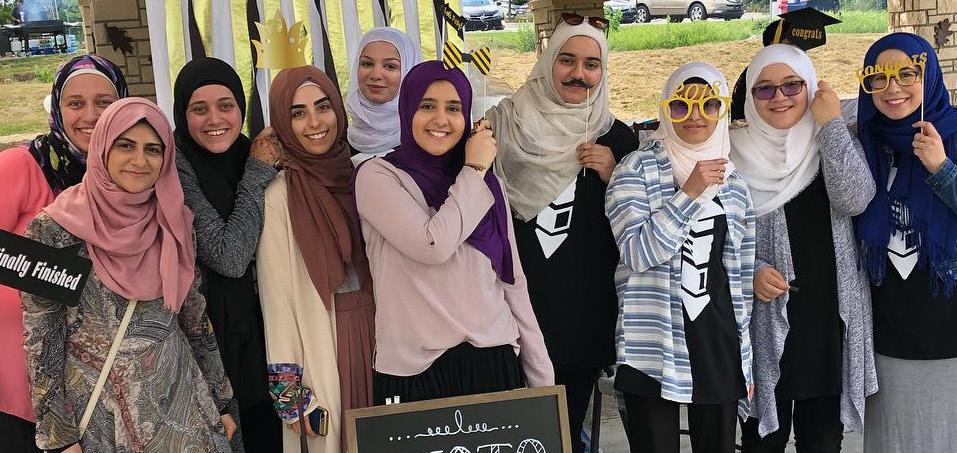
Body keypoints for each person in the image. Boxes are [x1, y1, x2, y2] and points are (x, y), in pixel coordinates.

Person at [21, 97, 236, 452]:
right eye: (125, 145)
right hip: (103, 421)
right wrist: (58, 437)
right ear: (103, 147)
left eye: (153, 149)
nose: (140, 161)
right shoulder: (50, 231)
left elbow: (194, 319)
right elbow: (42, 340)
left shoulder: (174, 221)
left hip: (183, 411)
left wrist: (220, 400)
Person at [354, 60, 554, 405]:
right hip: (413, 370)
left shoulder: (488, 185)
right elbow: (433, 244)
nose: (441, 120)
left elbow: (512, 281)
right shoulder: (378, 177)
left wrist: (542, 378)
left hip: (491, 358)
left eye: (454, 108)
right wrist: (474, 168)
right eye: (427, 105)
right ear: (407, 109)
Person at [485, 16, 637, 450]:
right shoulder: (504, 125)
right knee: (509, 431)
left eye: (592, 65)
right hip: (508, 309)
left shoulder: (617, 138)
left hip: (581, 316)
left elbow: (636, 229)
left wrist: (616, 178)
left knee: (563, 431)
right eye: (567, 60)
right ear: (548, 61)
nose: (579, 74)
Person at [729, 44, 878, 453]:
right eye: (765, 89)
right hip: (764, 321)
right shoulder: (730, 153)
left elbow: (855, 199)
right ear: (750, 96)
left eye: (792, 85)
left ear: (810, 87)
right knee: (762, 440)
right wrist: (752, 270)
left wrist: (829, 127)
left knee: (823, 440)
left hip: (830, 319)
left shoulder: (833, 139)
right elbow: (720, 236)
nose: (779, 97)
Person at [606, 62, 755, 453]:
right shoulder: (633, 170)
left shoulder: (734, 182)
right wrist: (688, 193)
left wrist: (746, 357)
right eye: (680, 105)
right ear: (664, 108)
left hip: (717, 343)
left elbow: (738, 280)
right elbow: (637, 253)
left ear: (722, 109)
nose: (694, 116)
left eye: (708, 105)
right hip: (652, 345)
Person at [0, 54, 126, 453]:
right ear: (57, 107)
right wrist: (73, 281)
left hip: (101, 393)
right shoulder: (23, 165)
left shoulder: (130, 174)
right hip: (21, 388)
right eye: (75, 103)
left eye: (104, 102)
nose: (90, 115)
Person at [257, 66, 375, 453]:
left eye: (322, 106)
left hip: (381, 335)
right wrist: (289, 393)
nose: (314, 122)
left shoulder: (366, 176)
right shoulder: (278, 195)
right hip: (325, 342)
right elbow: (276, 299)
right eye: (297, 113)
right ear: (282, 123)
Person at [173, 57, 282, 452]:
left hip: (266, 330)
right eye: (198, 109)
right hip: (213, 343)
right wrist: (256, 173)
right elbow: (229, 256)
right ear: (182, 113)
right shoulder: (173, 168)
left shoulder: (254, 153)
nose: (214, 119)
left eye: (226, 105)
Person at [854, 33, 957, 453]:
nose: (893, 88)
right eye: (879, 78)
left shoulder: (952, 134)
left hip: (947, 331)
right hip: (886, 334)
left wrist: (942, 168)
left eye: (907, 74)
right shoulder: (865, 145)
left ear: (928, 74)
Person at [345, 27, 422, 165]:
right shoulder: (335, 139)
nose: (376, 75)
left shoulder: (425, 138)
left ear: (409, 71)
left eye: (390, 66)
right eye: (367, 64)